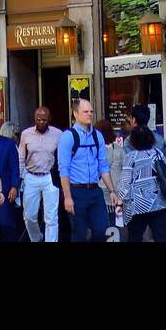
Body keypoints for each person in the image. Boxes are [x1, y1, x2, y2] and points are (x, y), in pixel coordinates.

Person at [57, 99, 119, 242]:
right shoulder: (68, 136)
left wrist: (112, 191)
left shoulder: (98, 136)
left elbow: (103, 165)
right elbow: (63, 169)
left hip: (95, 191)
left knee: (102, 230)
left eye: (91, 111)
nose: (89, 114)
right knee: (79, 234)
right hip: (76, 191)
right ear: (75, 114)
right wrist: (67, 197)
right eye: (85, 111)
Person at [116, 124, 166, 243]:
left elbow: (125, 183)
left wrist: (119, 202)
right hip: (159, 203)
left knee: (135, 237)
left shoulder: (130, 157)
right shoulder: (157, 154)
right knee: (160, 237)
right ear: (151, 139)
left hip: (137, 206)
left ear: (133, 141)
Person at [19, 106, 62, 243]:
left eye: (44, 119)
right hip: (31, 176)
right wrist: (22, 176)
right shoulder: (26, 134)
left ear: (49, 119)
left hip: (50, 177)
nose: (41, 122)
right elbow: (21, 157)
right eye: (38, 119)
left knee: (51, 217)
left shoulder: (58, 134)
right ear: (34, 119)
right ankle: (37, 238)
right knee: (29, 216)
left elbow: (62, 157)